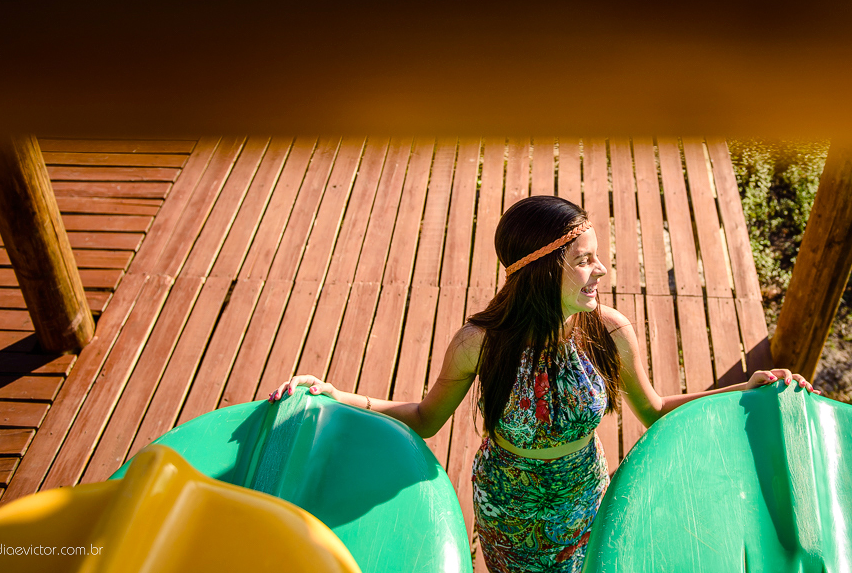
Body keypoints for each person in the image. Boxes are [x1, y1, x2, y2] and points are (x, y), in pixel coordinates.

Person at [269, 195, 817, 573]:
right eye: (584, 261)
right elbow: (424, 419)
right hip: (508, 507)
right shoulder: (478, 342)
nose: (601, 270)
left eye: (596, 258)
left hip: (582, 497)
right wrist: (339, 399)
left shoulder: (608, 330)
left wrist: (742, 390)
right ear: (541, 268)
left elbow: (655, 411)